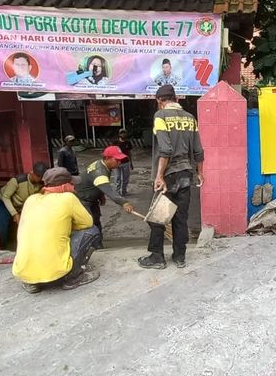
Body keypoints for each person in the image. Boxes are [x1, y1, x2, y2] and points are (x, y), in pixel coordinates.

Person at [139, 85, 204, 270]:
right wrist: (200, 172)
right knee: (180, 218)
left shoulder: (160, 116)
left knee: (158, 217)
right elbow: (199, 150)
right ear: (176, 99)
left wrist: (159, 176)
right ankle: (179, 257)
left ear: (159, 100)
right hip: (186, 174)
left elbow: (165, 149)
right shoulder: (190, 118)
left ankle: (157, 257)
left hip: (168, 176)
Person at [12, 167, 100, 293]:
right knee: (92, 231)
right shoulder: (68, 198)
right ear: (64, 186)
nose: (74, 187)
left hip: (22, 272)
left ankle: (31, 282)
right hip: (56, 270)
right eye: (71, 184)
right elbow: (87, 223)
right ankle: (73, 278)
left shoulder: (30, 200)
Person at [74, 146, 134, 249]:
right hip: (83, 200)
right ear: (107, 158)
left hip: (90, 198)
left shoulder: (102, 164)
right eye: (117, 160)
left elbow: (99, 184)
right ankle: (88, 247)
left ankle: (97, 244)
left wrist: (100, 194)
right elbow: (109, 191)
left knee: (96, 221)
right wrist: (124, 202)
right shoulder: (100, 172)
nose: (119, 163)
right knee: (89, 224)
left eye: (120, 160)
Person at [0, 162, 48, 249]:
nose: (40, 179)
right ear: (31, 173)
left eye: (42, 177)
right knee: (2, 226)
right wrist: (14, 214)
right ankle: (3, 248)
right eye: (38, 176)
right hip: (3, 202)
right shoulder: (17, 180)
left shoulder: (41, 183)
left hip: (20, 204)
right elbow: (5, 197)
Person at [113, 129, 133, 196]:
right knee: (117, 178)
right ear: (119, 134)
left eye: (124, 133)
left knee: (126, 178)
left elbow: (129, 153)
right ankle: (117, 193)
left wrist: (131, 163)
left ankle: (124, 191)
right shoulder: (115, 143)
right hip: (116, 163)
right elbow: (112, 153)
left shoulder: (128, 143)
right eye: (121, 133)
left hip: (126, 163)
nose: (123, 134)